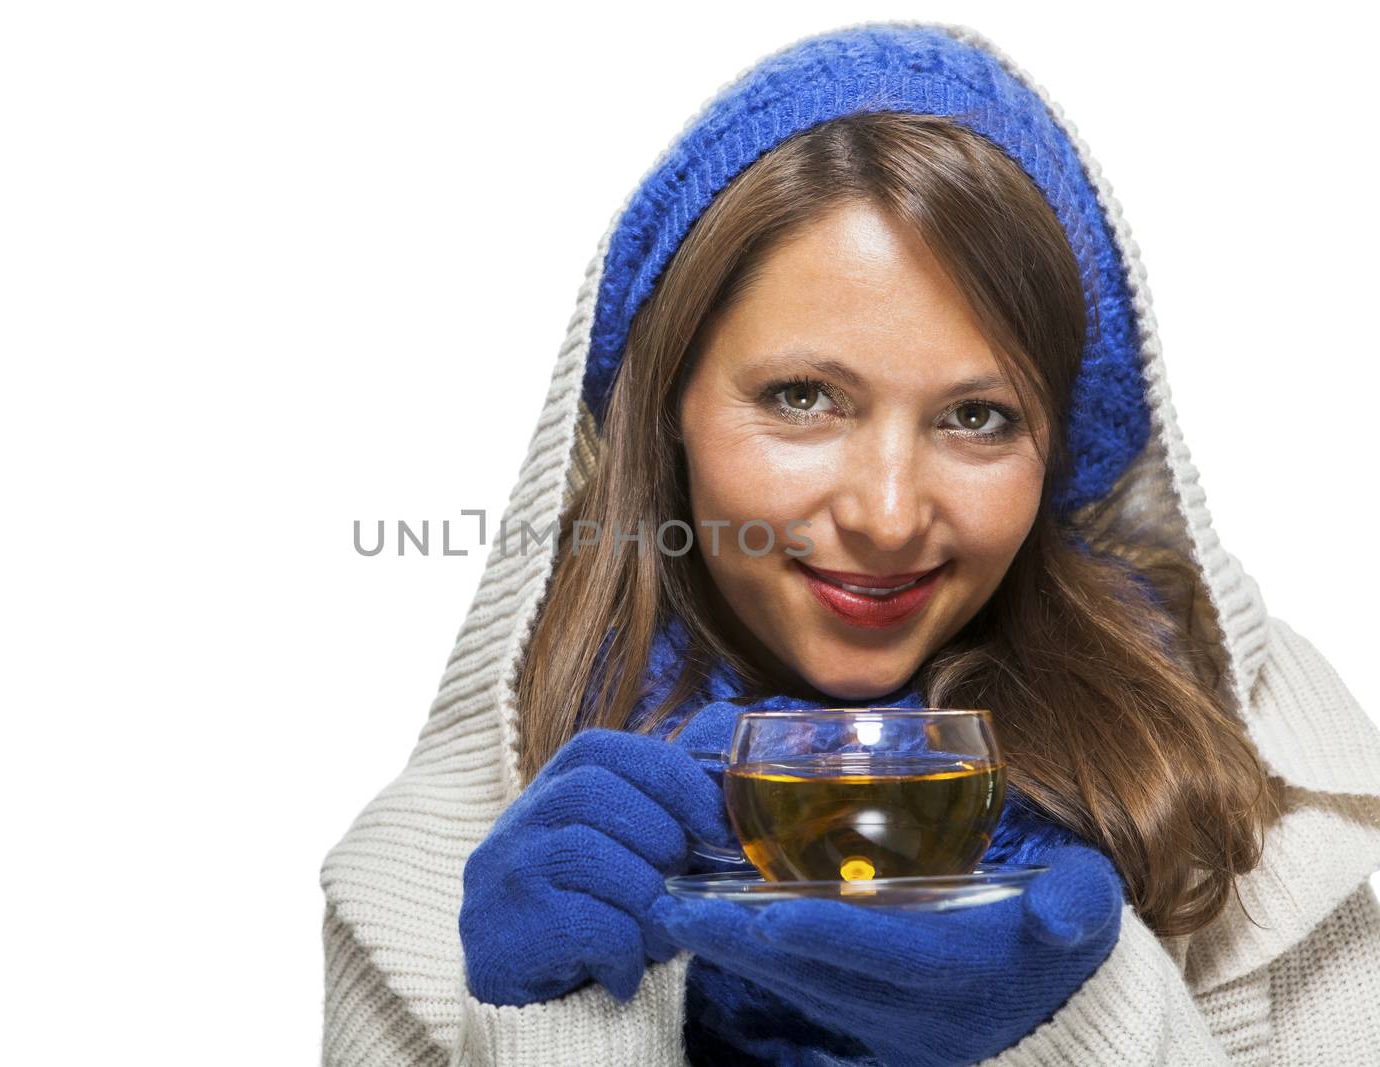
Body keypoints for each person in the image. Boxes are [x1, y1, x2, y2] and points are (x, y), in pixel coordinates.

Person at [320, 18, 1380, 1066]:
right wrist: (554, 1021)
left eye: (977, 416)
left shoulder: (1269, 805)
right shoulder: (431, 876)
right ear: (667, 410)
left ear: (1053, 444)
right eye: (802, 397)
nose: (884, 514)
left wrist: (1074, 1020)